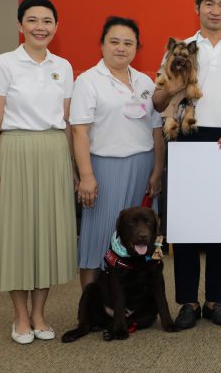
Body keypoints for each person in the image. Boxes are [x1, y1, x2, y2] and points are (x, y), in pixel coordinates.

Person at [153, 0, 221, 329]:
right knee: (186, 226)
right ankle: (188, 302)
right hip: (186, 139)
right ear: (197, 7)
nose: (216, 11)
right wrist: (177, 88)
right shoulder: (180, 49)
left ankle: (215, 300)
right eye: (209, 4)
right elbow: (157, 101)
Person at [0, 0, 77, 344]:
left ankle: (40, 314)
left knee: (48, 236)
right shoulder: (4, 64)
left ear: (56, 26)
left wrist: (71, 167)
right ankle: (20, 316)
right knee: (17, 235)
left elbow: (67, 123)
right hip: (15, 151)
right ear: (21, 25)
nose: (41, 27)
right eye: (33, 20)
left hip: (53, 153)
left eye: (47, 21)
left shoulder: (63, 66)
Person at [71, 16, 164, 289]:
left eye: (128, 43)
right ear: (102, 45)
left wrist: (157, 171)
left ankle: (131, 304)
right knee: (98, 238)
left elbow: (156, 131)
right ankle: (91, 306)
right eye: (114, 42)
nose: (121, 48)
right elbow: (79, 132)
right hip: (104, 168)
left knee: (140, 238)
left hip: (142, 167)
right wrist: (86, 176)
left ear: (137, 47)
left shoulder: (146, 82)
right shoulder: (88, 81)